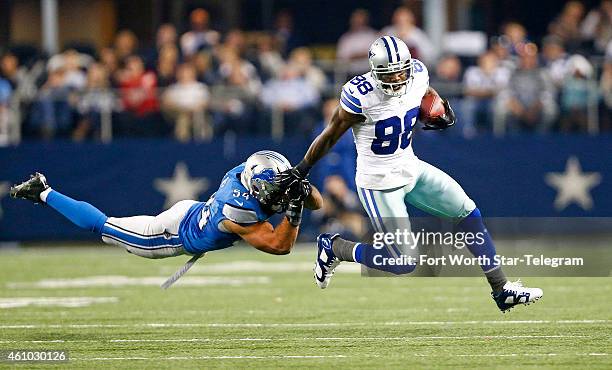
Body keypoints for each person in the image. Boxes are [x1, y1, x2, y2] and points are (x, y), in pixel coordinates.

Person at [272, 36, 543, 313]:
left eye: (402, 71)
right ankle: (335, 247)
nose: (399, 78)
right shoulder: (361, 95)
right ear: (376, 72)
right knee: (403, 261)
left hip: (410, 166)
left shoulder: (417, 73)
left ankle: (501, 289)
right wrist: (301, 169)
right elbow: (329, 135)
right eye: (391, 73)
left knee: (467, 212)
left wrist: (440, 108)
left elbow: (426, 92)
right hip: (378, 182)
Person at [10, 151, 322, 260]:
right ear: (256, 187)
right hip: (169, 235)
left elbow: (316, 203)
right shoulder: (237, 211)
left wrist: (301, 188)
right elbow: (280, 246)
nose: (278, 194)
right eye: (274, 190)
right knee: (103, 225)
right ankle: (43, 191)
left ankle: (43, 192)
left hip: (191, 209)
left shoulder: (251, 172)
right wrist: (295, 208)